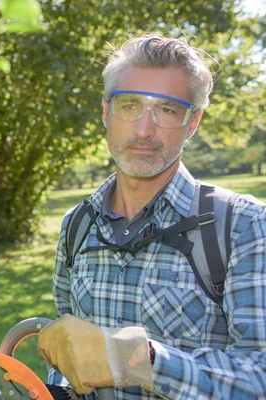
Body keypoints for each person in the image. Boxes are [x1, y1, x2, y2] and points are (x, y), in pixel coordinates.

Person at [37, 34, 266, 399]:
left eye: (167, 109)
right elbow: (69, 355)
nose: (144, 130)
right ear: (105, 112)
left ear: (192, 123)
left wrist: (135, 358)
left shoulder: (244, 227)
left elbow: (259, 377)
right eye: (129, 105)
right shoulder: (76, 225)